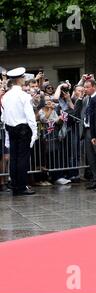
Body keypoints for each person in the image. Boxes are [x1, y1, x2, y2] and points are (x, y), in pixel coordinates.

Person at [1, 67, 38, 196]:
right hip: (23, 129)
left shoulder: (6, 96)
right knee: (23, 158)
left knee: (15, 158)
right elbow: (30, 116)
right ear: (18, 80)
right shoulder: (24, 95)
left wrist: (7, 133)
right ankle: (21, 186)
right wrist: (34, 132)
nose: (24, 80)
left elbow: (4, 116)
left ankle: (15, 185)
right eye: (23, 78)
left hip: (11, 128)